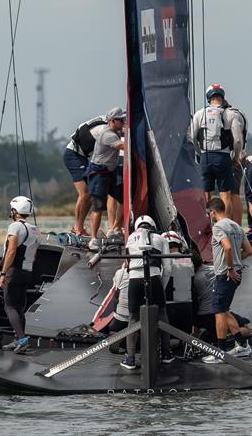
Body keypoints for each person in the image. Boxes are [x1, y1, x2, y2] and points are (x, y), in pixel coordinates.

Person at [202, 198, 252, 363]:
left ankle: (221, 353)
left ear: (213, 212)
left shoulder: (218, 227)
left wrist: (230, 268)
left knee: (218, 313)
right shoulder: (236, 226)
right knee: (225, 310)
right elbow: (249, 250)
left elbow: (227, 247)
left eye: (208, 213)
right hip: (236, 274)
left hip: (226, 275)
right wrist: (237, 262)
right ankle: (242, 344)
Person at [121, 215, 174, 370]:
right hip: (155, 278)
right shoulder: (162, 239)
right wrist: (161, 287)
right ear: (152, 225)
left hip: (135, 279)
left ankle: (130, 359)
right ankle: (166, 354)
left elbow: (127, 264)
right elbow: (168, 268)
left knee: (133, 317)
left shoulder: (130, 238)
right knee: (162, 314)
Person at [189, 84, 246, 223]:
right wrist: (236, 156)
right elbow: (238, 140)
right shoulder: (230, 114)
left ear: (209, 98)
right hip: (223, 157)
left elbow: (191, 137)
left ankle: (207, 225)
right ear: (222, 97)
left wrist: (199, 153)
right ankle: (225, 225)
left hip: (205, 157)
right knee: (225, 194)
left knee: (205, 193)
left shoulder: (199, 113)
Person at [0, 196, 41, 354]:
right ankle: (18, 339)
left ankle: (22, 340)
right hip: (27, 271)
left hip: (13, 271)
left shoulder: (15, 227)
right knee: (19, 307)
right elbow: (34, 254)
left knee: (10, 306)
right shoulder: (35, 230)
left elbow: (11, 251)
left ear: (15, 211)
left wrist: (3, 272)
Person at [86, 107, 126, 250]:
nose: (124, 122)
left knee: (124, 199)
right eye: (121, 120)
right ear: (112, 121)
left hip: (110, 172)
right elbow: (123, 146)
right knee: (98, 207)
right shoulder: (108, 135)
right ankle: (93, 239)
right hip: (99, 173)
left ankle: (115, 229)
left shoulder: (116, 132)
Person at [63, 115, 107, 236]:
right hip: (74, 155)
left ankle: (77, 227)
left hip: (82, 156)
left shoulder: (106, 120)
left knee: (88, 194)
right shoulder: (103, 129)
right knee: (85, 193)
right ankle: (78, 228)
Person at [108, 263, 130, 354]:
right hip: (135, 314)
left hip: (119, 311)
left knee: (117, 325)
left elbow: (115, 283)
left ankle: (116, 337)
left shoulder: (119, 273)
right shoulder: (143, 275)